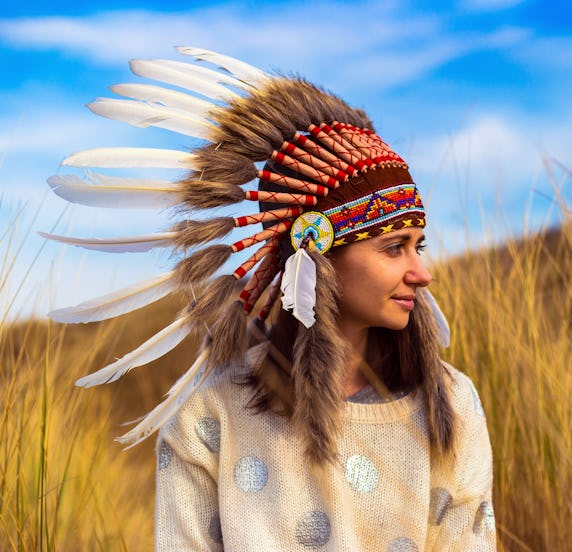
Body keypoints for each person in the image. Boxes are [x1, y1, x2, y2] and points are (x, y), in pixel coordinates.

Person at [44, 47, 496, 550]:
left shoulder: (451, 405)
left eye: (419, 246)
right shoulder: (212, 413)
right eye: (394, 249)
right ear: (317, 255)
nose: (422, 273)